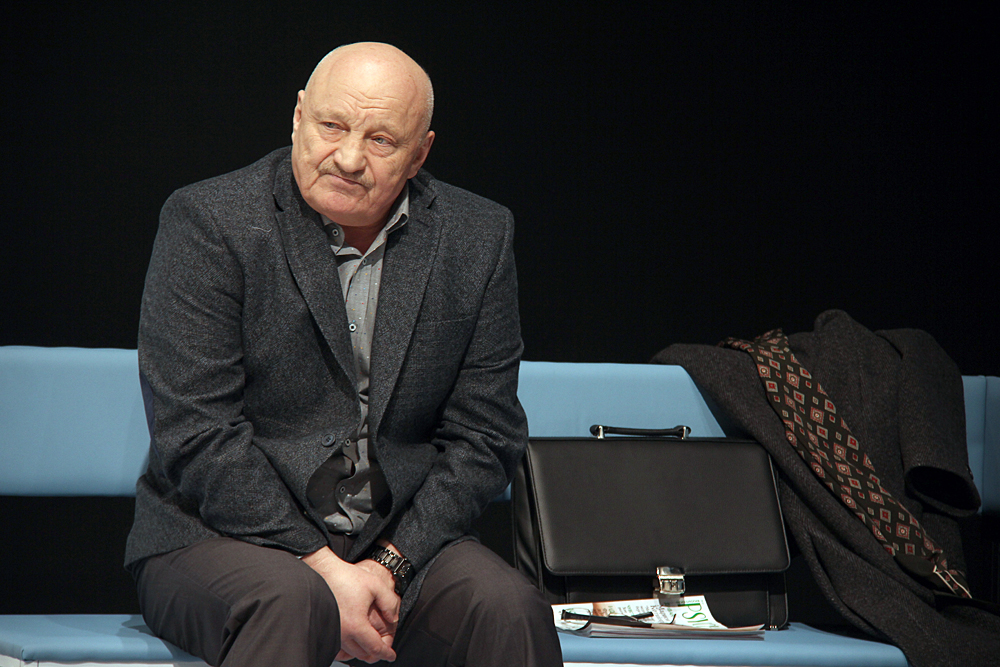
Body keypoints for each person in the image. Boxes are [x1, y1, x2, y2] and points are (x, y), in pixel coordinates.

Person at [125, 42, 562, 667]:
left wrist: (389, 564)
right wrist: (325, 569)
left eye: (381, 140)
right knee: (292, 599)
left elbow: (486, 434)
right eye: (332, 126)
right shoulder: (211, 220)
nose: (350, 158)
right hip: (216, 535)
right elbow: (197, 431)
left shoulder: (476, 235)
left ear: (420, 154)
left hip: (399, 544)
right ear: (298, 116)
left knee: (508, 608)